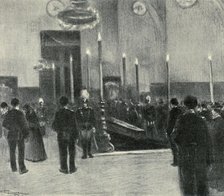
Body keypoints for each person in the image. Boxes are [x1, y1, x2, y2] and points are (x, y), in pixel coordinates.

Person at [174, 95, 213, 196]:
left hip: (186, 156)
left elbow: (176, 138)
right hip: (200, 156)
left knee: (188, 184)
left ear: (185, 106)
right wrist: (209, 159)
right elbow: (208, 141)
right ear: (196, 106)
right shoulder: (201, 120)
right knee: (202, 183)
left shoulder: (181, 120)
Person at [2, 98, 29, 174]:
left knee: (12, 151)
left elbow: (4, 124)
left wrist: (11, 128)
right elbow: (25, 125)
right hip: (19, 135)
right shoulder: (20, 113)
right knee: (21, 151)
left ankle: (13, 168)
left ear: (11, 104)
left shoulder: (8, 113)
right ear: (18, 104)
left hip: (11, 135)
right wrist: (26, 135)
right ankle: (22, 168)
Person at [52, 96, 78, 174]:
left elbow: (54, 126)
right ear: (67, 103)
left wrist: (59, 131)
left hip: (61, 135)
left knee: (63, 152)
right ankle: (72, 168)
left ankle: (64, 168)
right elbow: (75, 126)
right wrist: (76, 136)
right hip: (70, 135)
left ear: (60, 103)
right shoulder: (72, 113)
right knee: (72, 151)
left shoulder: (58, 113)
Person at [76, 90, 96, 159]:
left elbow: (93, 119)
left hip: (89, 127)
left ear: (87, 104)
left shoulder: (91, 110)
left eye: (85, 103)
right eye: (83, 103)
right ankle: (84, 154)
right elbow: (77, 120)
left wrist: (93, 127)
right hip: (83, 127)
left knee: (89, 140)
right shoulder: (79, 111)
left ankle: (89, 153)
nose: (84, 104)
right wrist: (79, 127)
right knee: (83, 141)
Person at [208, 107, 224, 191]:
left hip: (219, 148)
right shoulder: (216, 121)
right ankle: (216, 185)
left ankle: (220, 186)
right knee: (217, 166)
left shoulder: (220, 122)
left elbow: (218, 135)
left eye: (213, 113)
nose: (212, 114)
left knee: (219, 167)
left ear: (217, 113)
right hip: (216, 147)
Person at [166, 98, 182, 166]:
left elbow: (170, 122)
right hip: (179, 130)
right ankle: (180, 161)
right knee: (179, 146)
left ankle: (176, 161)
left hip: (172, 131)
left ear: (171, 104)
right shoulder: (180, 110)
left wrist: (168, 131)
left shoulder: (172, 111)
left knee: (173, 147)